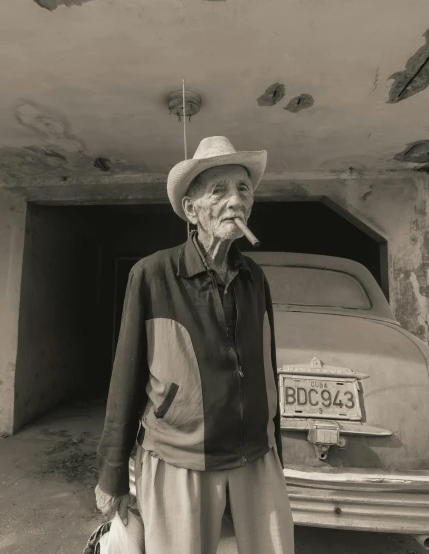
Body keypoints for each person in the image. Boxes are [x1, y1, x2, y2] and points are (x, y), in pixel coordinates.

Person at [94, 136, 294, 554]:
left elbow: (265, 367)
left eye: (243, 189)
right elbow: (125, 379)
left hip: (256, 457)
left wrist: (276, 446)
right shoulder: (152, 275)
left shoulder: (255, 278)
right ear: (191, 210)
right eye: (218, 191)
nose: (235, 201)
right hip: (180, 458)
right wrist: (112, 474)